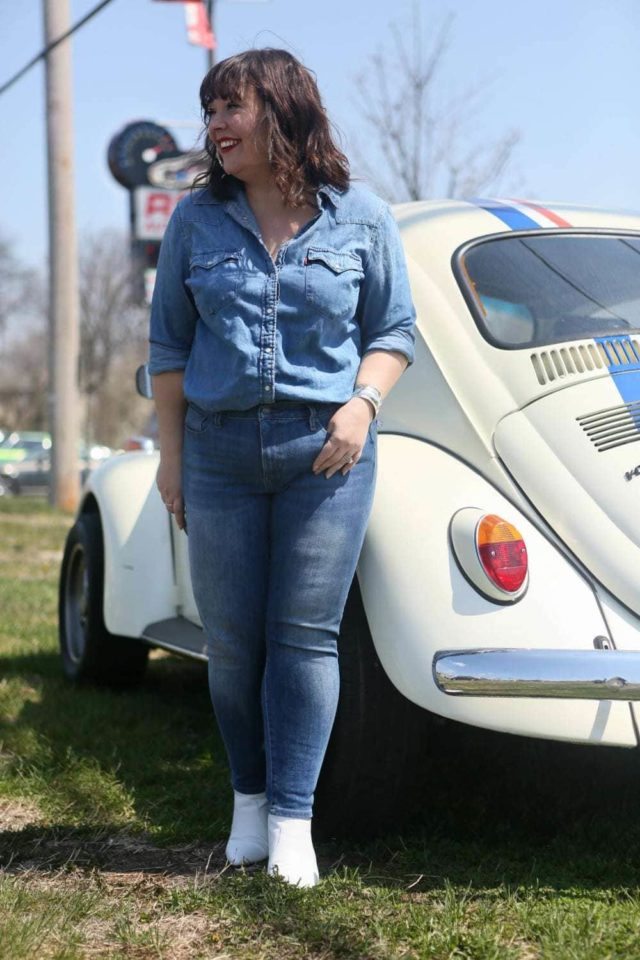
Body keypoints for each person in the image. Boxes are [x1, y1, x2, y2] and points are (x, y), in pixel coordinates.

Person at [148, 48, 416, 888]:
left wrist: (361, 405)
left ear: (283, 109)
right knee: (231, 645)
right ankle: (250, 802)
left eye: (233, 107)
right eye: (211, 111)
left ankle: (294, 820)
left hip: (326, 458)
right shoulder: (196, 221)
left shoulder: (362, 216)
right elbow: (168, 346)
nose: (217, 126)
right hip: (220, 455)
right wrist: (172, 457)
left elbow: (395, 330)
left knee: (303, 638)